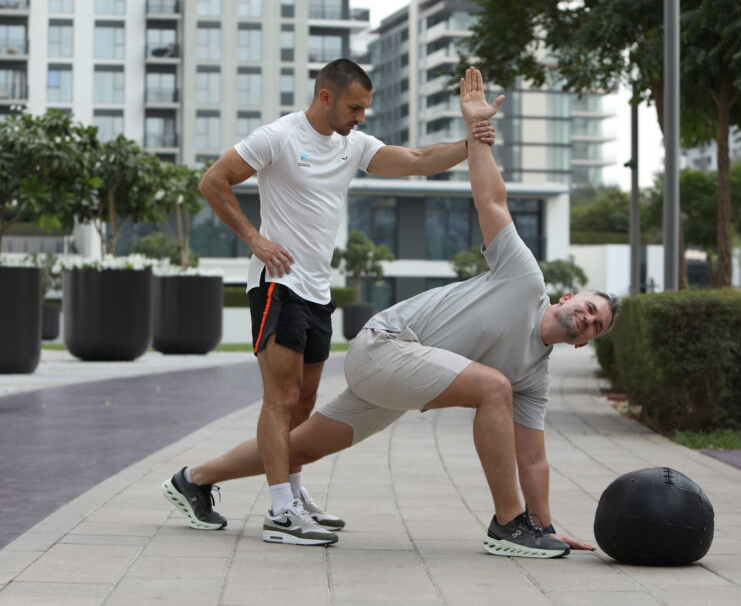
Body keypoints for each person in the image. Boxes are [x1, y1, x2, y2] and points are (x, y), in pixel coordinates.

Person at [163, 66, 621, 557]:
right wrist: (255, 239)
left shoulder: (352, 146)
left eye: (595, 327)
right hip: (341, 318)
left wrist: (474, 138)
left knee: (299, 428)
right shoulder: (278, 136)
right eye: (354, 108)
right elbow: (214, 181)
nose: (361, 118)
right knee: (291, 398)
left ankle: (194, 480)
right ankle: (287, 509)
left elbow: (420, 159)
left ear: (583, 342)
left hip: (356, 331)